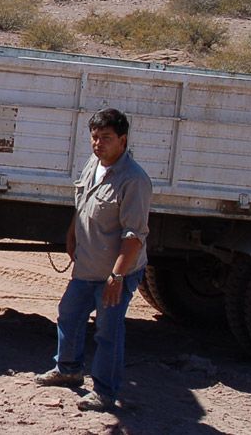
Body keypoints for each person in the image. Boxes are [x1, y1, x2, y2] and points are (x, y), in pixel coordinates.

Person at [35, 108, 152, 412]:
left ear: (122, 141)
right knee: (69, 313)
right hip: (88, 266)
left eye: (106, 138)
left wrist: (117, 277)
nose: (98, 144)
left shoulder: (134, 181)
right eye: (95, 137)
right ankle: (69, 368)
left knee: (108, 330)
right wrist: (73, 230)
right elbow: (83, 200)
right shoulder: (94, 163)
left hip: (115, 273)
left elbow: (134, 236)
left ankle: (105, 391)